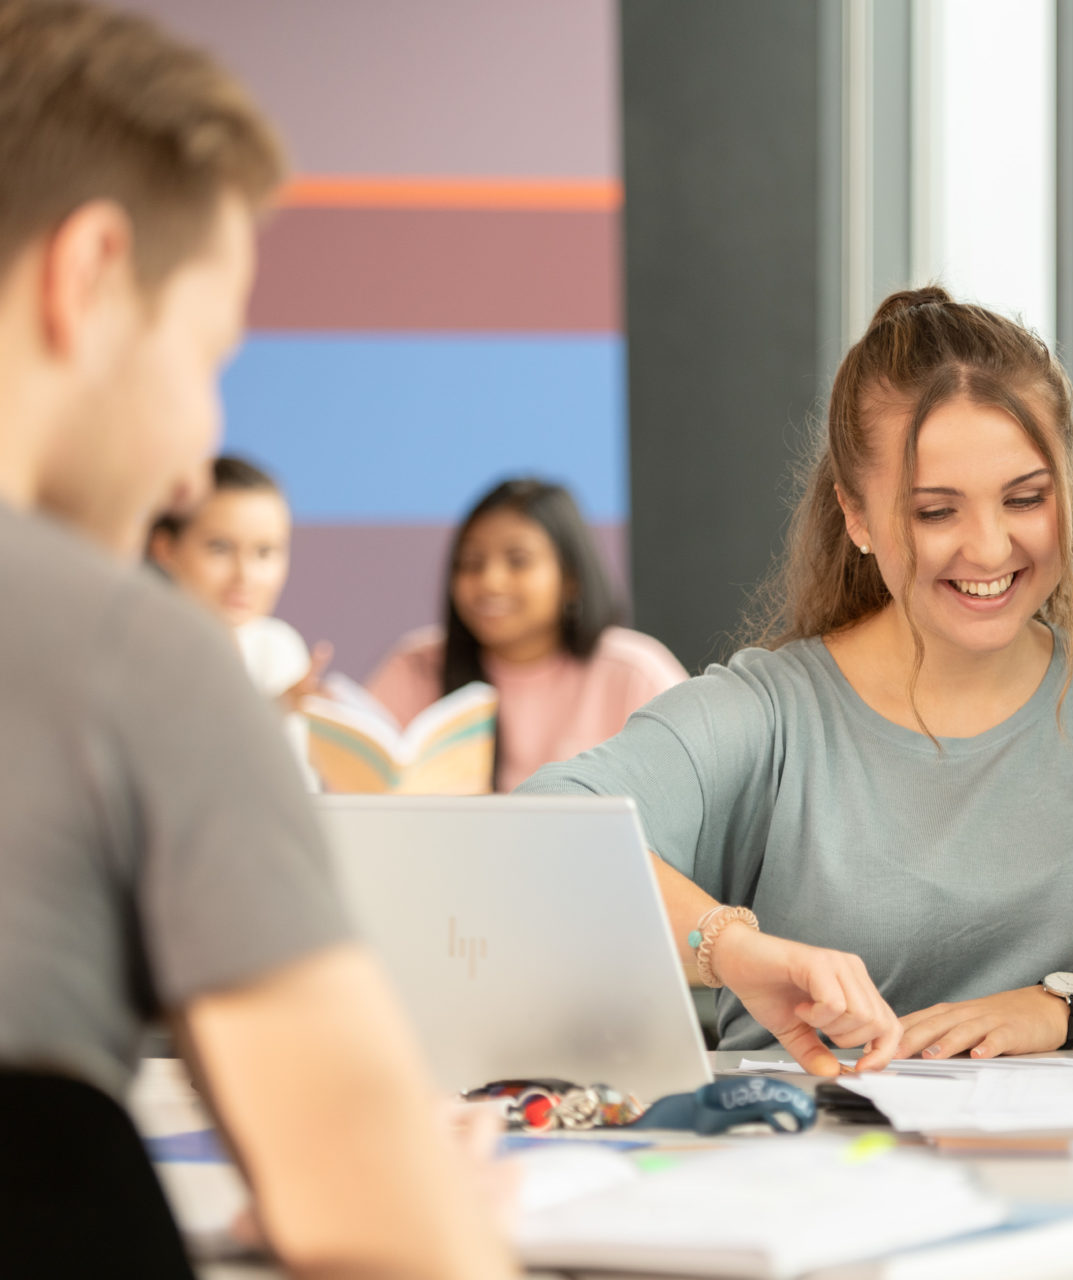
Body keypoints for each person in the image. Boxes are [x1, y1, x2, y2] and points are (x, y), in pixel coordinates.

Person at [0, 2, 514, 1273]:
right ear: (89, 275)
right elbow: (394, 1236)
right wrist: (414, 1195)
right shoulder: (133, 651)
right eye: (206, 352)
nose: (192, 455)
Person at [524, 286, 1073, 1075]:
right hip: (814, 1181)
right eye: (935, 511)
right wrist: (729, 948)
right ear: (858, 516)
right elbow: (543, 828)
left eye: (1025, 498)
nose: (987, 549)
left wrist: (1059, 1012)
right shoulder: (771, 714)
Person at [366, 477, 689, 792]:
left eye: (517, 561)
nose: (490, 582)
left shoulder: (634, 674)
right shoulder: (416, 667)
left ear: (571, 578)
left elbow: (694, 803)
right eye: (471, 563)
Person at [149, 455, 326, 781]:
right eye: (219, 548)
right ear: (165, 548)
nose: (244, 576)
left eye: (265, 552)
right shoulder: (136, 652)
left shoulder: (279, 647)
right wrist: (270, 713)